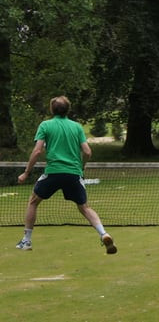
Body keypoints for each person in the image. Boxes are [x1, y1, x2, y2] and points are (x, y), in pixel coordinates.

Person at [16, 96, 117, 254]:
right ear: (68, 109)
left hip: (54, 172)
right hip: (73, 174)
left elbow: (37, 151)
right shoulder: (76, 127)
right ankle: (104, 233)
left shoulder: (45, 125)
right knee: (84, 207)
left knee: (33, 202)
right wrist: (81, 168)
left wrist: (26, 172)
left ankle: (26, 241)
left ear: (52, 109)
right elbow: (87, 152)